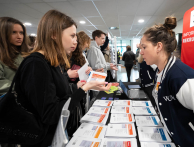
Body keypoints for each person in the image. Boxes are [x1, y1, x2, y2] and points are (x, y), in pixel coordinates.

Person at [12, 10, 111, 147]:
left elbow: (61, 94)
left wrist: (82, 87)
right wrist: (84, 89)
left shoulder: (52, 63)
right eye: (71, 36)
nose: (75, 41)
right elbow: (51, 114)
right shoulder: (36, 64)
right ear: (54, 34)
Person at [140, 16, 194, 147]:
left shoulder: (182, 78)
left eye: (144, 47)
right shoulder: (159, 71)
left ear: (158, 46)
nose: (141, 52)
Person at [0, 17, 29, 147]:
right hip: (6, 106)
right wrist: (21, 88)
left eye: (21, 32)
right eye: (14, 32)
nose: (19, 36)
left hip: (21, 106)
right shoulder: (1, 56)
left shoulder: (23, 54)